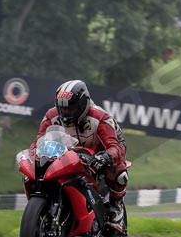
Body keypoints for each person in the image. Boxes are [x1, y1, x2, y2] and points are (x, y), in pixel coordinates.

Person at [30, 79, 128, 228]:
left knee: (118, 171)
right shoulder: (51, 116)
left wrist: (105, 156)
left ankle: (116, 205)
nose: (66, 113)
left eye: (71, 108)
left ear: (83, 103)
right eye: (63, 109)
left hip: (97, 154)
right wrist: (32, 153)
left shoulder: (100, 118)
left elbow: (115, 147)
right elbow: (39, 140)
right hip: (66, 154)